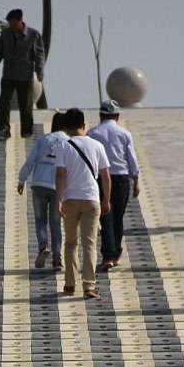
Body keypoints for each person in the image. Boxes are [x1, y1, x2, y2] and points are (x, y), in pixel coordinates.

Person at [55, 108, 111, 299]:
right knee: (89, 244)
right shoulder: (97, 145)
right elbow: (105, 175)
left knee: (70, 242)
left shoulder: (63, 146)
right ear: (83, 124)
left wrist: (59, 200)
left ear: (66, 127)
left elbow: (60, 175)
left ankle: (70, 284)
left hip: (70, 199)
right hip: (91, 199)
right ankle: (89, 286)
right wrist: (106, 199)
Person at [87, 99, 140, 270]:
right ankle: (116, 253)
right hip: (121, 178)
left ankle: (109, 255)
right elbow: (131, 158)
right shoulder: (124, 133)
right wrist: (136, 181)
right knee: (118, 217)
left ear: (101, 115)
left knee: (105, 216)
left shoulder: (92, 133)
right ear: (117, 116)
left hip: (101, 178)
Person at [0, 8, 45, 139]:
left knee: (26, 106)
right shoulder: (6, 34)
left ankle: (27, 131)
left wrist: (40, 70)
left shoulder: (33, 35)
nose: (12, 27)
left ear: (20, 21)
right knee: (4, 102)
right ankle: (3, 129)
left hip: (25, 76)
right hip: (8, 75)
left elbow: (39, 55)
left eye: (14, 24)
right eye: (10, 24)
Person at [17, 111, 67, 269]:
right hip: (56, 187)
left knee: (40, 220)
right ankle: (57, 258)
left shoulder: (43, 139)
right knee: (55, 223)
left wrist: (21, 179)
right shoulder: (68, 141)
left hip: (38, 184)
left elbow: (30, 160)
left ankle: (43, 246)